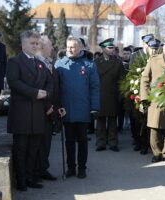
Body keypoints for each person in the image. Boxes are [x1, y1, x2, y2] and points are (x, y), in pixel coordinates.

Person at [6, 30, 53, 191]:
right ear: (23, 44)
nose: (35, 46)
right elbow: (14, 82)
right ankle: (21, 181)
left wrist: (46, 93)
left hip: (38, 113)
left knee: (34, 148)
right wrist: (35, 93)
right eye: (32, 43)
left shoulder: (39, 62)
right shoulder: (15, 61)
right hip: (22, 114)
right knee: (21, 149)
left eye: (37, 43)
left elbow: (49, 80)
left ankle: (31, 177)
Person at [55, 36, 100, 178]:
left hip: (83, 109)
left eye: (73, 46)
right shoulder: (59, 65)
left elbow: (94, 87)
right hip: (66, 109)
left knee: (82, 140)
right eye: (68, 46)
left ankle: (82, 168)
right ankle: (71, 168)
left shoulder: (89, 65)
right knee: (69, 141)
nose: (70, 49)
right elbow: (56, 89)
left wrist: (94, 107)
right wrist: (58, 106)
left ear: (80, 47)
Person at [140, 37, 165, 163]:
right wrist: (145, 97)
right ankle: (156, 153)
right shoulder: (154, 59)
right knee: (154, 127)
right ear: (163, 46)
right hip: (155, 98)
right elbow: (145, 78)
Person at [35, 35, 58, 181]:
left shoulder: (50, 63)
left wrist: (57, 106)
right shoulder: (37, 63)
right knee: (39, 144)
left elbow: (55, 88)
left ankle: (43, 168)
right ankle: (36, 171)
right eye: (50, 45)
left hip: (51, 109)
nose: (52, 48)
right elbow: (38, 88)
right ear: (42, 47)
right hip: (41, 110)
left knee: (47, 142)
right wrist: (46, 107)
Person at [95, 38, 124, 152]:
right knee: (100, 120)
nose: (112, 49)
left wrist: (121, 95)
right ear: (103, 49)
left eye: (112, 47)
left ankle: (113, 142)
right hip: (100, 95)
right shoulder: (96, 62)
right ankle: (100, 142)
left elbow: (122, 80)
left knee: (112, 120)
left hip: (113, 95)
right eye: (109, 47)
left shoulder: (118, 62)